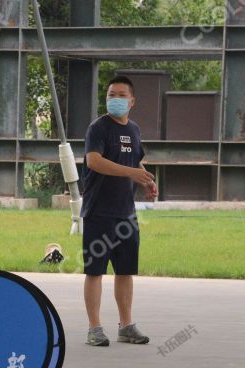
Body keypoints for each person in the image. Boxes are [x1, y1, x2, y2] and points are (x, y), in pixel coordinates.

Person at [81, 76, 158, 347]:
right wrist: (133, 173)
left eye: (121, 94)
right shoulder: (98, 128)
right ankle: (94, 328)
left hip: (125, 213)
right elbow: (95, 161)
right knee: (95, 271)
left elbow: (137, 161)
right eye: (111, 94)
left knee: (125, 271)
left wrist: (148, 182)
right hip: (98, 212)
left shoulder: (134, 130)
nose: (115, 98)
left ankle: (126, 326)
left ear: (132, 101)